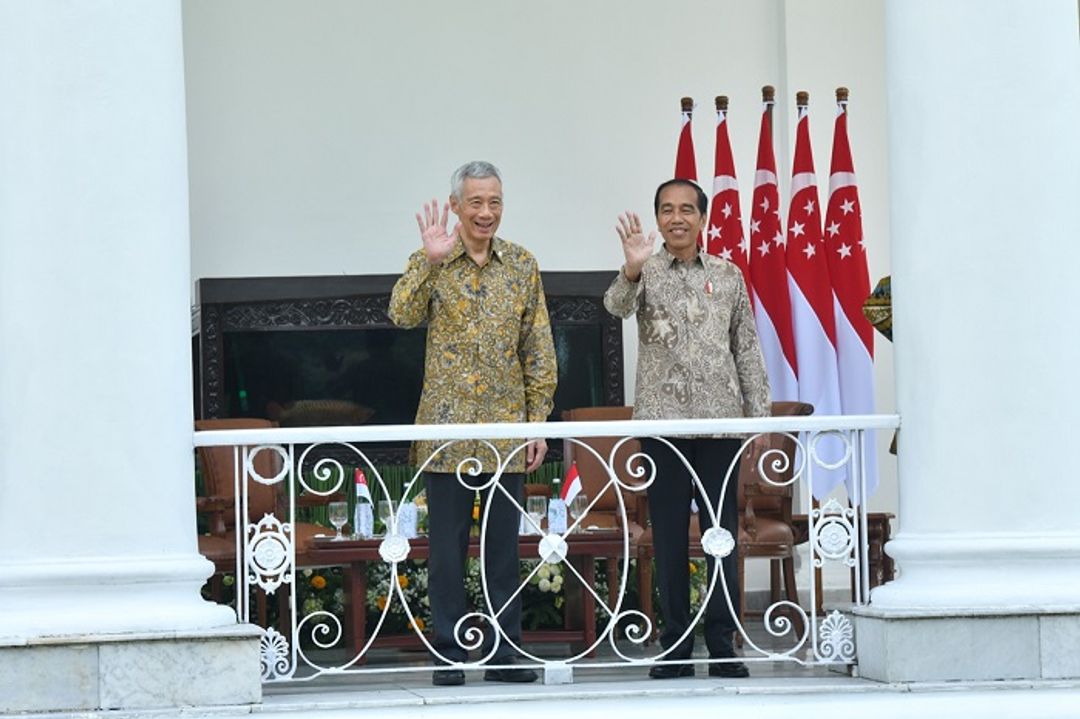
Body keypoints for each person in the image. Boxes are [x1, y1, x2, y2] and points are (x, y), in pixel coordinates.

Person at [389, 160, 557, 686]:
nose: (486, 213)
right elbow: (401, 313)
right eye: (476, 203)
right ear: (456, 206)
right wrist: (430, 263)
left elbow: (539, 350)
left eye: (495, 202)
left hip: (507, 429)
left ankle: (506, 653)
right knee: (446, 550)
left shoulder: (523, 265)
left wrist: (537, 423)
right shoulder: (434, 259)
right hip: (446, 430)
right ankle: (448, 652)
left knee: (503, 550)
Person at [604, 179, 770, 679]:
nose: (676, 218)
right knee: (671, 535)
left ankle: (722, 642)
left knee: (721, 535)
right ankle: (674, 645)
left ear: (702, 218)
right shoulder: (644, 273)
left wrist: (759, 418)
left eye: (686, 210)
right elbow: (615, 306)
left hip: (720, 426)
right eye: (667, 210)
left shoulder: (729, 275)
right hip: (663, 426)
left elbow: (747, 347)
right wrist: (631, 268)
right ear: (657, 219)